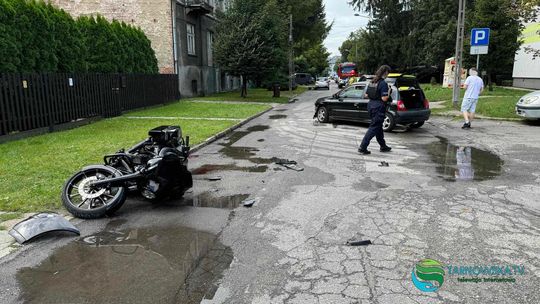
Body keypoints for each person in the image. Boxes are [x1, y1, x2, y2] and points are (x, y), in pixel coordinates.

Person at [358, 65, 392, 155]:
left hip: (371, 105)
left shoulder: (372, 81)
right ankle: (362, 147)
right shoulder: (383, 83)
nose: (388, 75)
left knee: (378, 127)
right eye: (388, 73)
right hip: (378, 107)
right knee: (374, 127)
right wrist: (388, 93)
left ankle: (383, 146)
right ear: (385, 72)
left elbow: (366, 95)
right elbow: (384, 98)